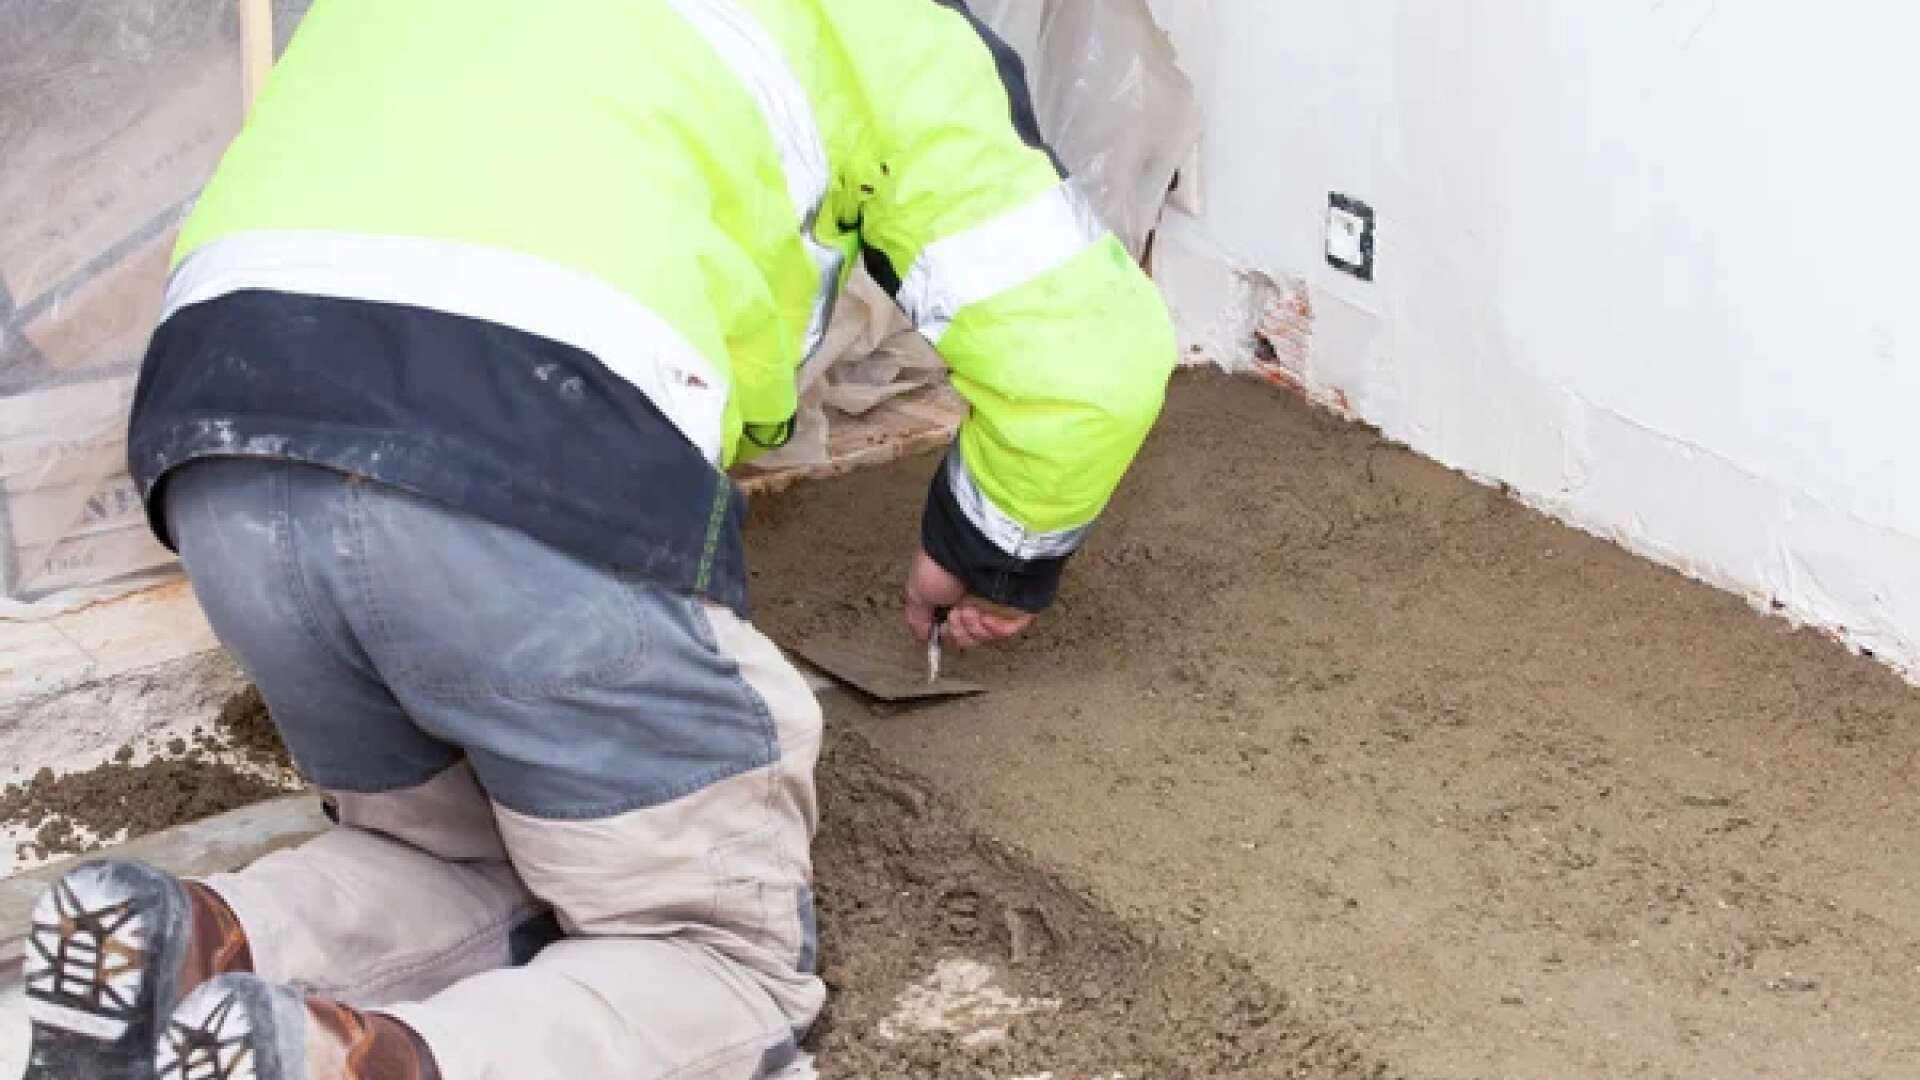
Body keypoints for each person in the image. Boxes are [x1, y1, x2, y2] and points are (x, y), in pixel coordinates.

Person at [19, 1, 1174, 1077]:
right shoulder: (882, 23)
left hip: (223, 444)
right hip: (519, 434)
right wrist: (986, 549)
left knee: (457, 849)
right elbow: (1090, 362)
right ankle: (365, 1060)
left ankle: (190, 940)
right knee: (713, 954)